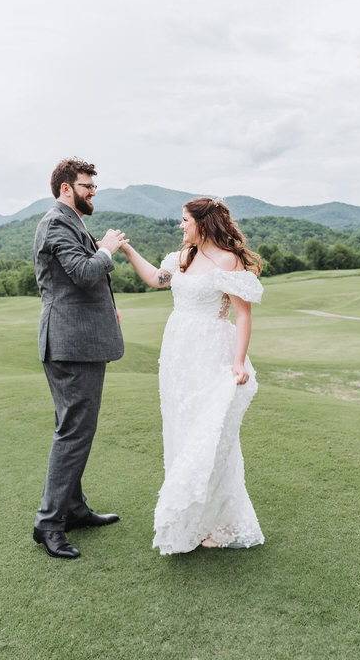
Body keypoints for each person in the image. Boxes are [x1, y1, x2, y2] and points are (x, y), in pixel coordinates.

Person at [122, 197, 264, 554]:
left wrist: (238, 362)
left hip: (210, 351)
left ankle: (219, 520)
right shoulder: (182, 256)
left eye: (185, 220)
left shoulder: (227, 261)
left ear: (203, 223)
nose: (180, 226)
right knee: (181, 430)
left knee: (210, 435)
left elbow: (243, 316)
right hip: (177, 354)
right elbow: (157, 278)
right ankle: (192, 520)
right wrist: (125, 248)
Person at [32, 157, 128, 559]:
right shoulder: (56, 222)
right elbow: (84, 272)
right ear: (66, 188)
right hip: (71, 345)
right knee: (74, 433)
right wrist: (106, 250)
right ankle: (48, 523)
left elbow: (83, 283)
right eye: (87, 186)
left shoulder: (72, 220)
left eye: (93, 186)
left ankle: (72, 507)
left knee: (73, 428)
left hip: (78, 340)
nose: (92, 192)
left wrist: (110, 307)